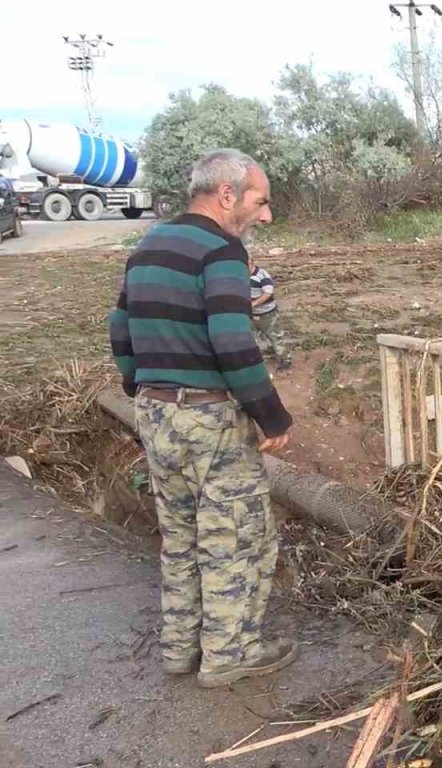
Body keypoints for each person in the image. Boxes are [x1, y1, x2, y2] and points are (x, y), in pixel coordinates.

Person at [108, 148, 296, 689]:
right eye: (261, 202)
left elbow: (119, 325)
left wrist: (138, 385)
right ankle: (228, 655)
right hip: (209, 417)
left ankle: (179, 650)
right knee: (236, 537)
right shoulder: (222, 251)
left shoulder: (148, 245)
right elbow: (233, 341)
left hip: (155, 413)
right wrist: (272, 416)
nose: (265, 216)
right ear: (228, 194)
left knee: (181, 534)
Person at [248, 255, 292, 370]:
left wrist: (253, 303)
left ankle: (285, 361)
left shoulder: (262, 276)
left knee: (275, 336)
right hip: (251, 314)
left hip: (266, 313)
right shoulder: (241, 276)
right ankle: (268, 351)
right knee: (254, 336)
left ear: (250, 263)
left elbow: (268, 293)